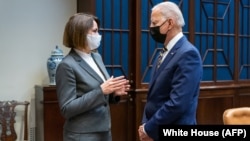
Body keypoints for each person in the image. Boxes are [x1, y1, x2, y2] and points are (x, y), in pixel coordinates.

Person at [56, 13, 130, 141]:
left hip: (104, 131)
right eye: (94, 31)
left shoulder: (96, 56)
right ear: (80, 34)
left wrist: (113, 94)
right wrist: (101, 91)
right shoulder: (67, 65)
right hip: (82, 135)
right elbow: (66, 109)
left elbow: (99, 95)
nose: (98, 35)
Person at [138, 2, 203, 141]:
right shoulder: (164, 52)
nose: (151, 27)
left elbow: (178, 103)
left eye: (154, 22)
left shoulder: (188, 54)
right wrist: (146, 126)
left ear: (170, 23)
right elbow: (154, 97)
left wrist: (149, 129)